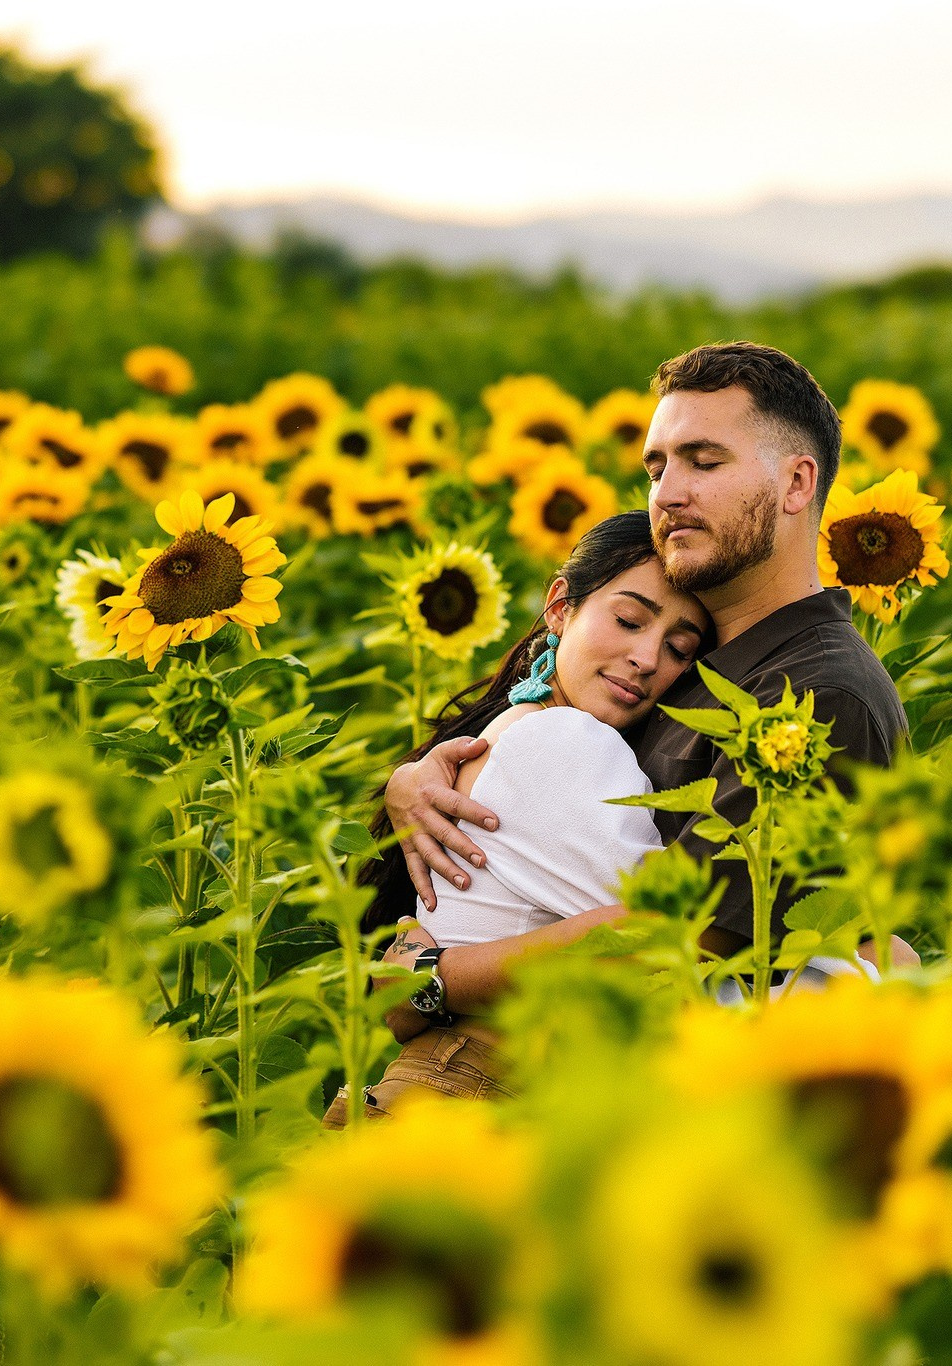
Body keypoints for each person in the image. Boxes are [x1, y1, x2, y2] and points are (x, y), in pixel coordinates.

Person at [359, 342, 915, 1106]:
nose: (669, 493)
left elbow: (686, 943)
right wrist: (422, 777)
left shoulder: (817, 693)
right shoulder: (699, 659)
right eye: (657, 467)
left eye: (704, 461)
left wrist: (432, 981)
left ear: (797, 482)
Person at [322, 511, 710, 1126]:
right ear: (560, 606)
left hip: (448, 1088)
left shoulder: (511, 730)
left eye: (679, 649)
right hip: (478, 1093)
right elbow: (680, 935)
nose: (645, 658)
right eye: (629, 620)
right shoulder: (569, 741)